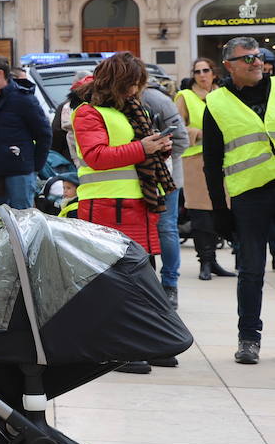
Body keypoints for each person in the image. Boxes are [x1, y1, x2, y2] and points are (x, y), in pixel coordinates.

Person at [72, 53, 175, 375]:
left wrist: (158, 147)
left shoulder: (134, 110)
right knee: (117, 284)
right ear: (116, 83)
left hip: (138, 207)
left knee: (144, 279)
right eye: (131, 84)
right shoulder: (87, 113)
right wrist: (144, 148)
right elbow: (97, 157)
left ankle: (148, 343)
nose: (136, 90)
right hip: (106, 209)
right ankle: (119, 347)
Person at [203, 37, 275, 365]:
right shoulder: (216, 102)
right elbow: (212, 159)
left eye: (258, 56)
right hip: (249, 196)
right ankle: (249, 338)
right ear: (229, 66)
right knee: (251, 270)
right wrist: (219, 209)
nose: (256, 62)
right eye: (247, 59)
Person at [177, 58, 235, 280]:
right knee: (201, 213)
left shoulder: (224, 94)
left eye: (206, 70)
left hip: (225, 159)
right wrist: (198, 133)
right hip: (195, 161)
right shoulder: (185, 97)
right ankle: (206, 262)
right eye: (197, 71)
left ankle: (217, 260)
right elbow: (176, 128)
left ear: (214, 73)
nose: (202, 75)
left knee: (221, 209)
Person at [0, 55, 51, 214]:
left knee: (23, 221)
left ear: (0, 74)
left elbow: (44, 134)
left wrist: (34, 168)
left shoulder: (23, 99)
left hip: (20, 172)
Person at [140, 80, 188, 311]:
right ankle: (148, 285)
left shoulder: (157, 100)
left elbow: (181, 140)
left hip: (166, 178)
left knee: (166, 228)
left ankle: (170, 284)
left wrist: (157, 160)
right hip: (139, 178)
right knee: (145, 230)